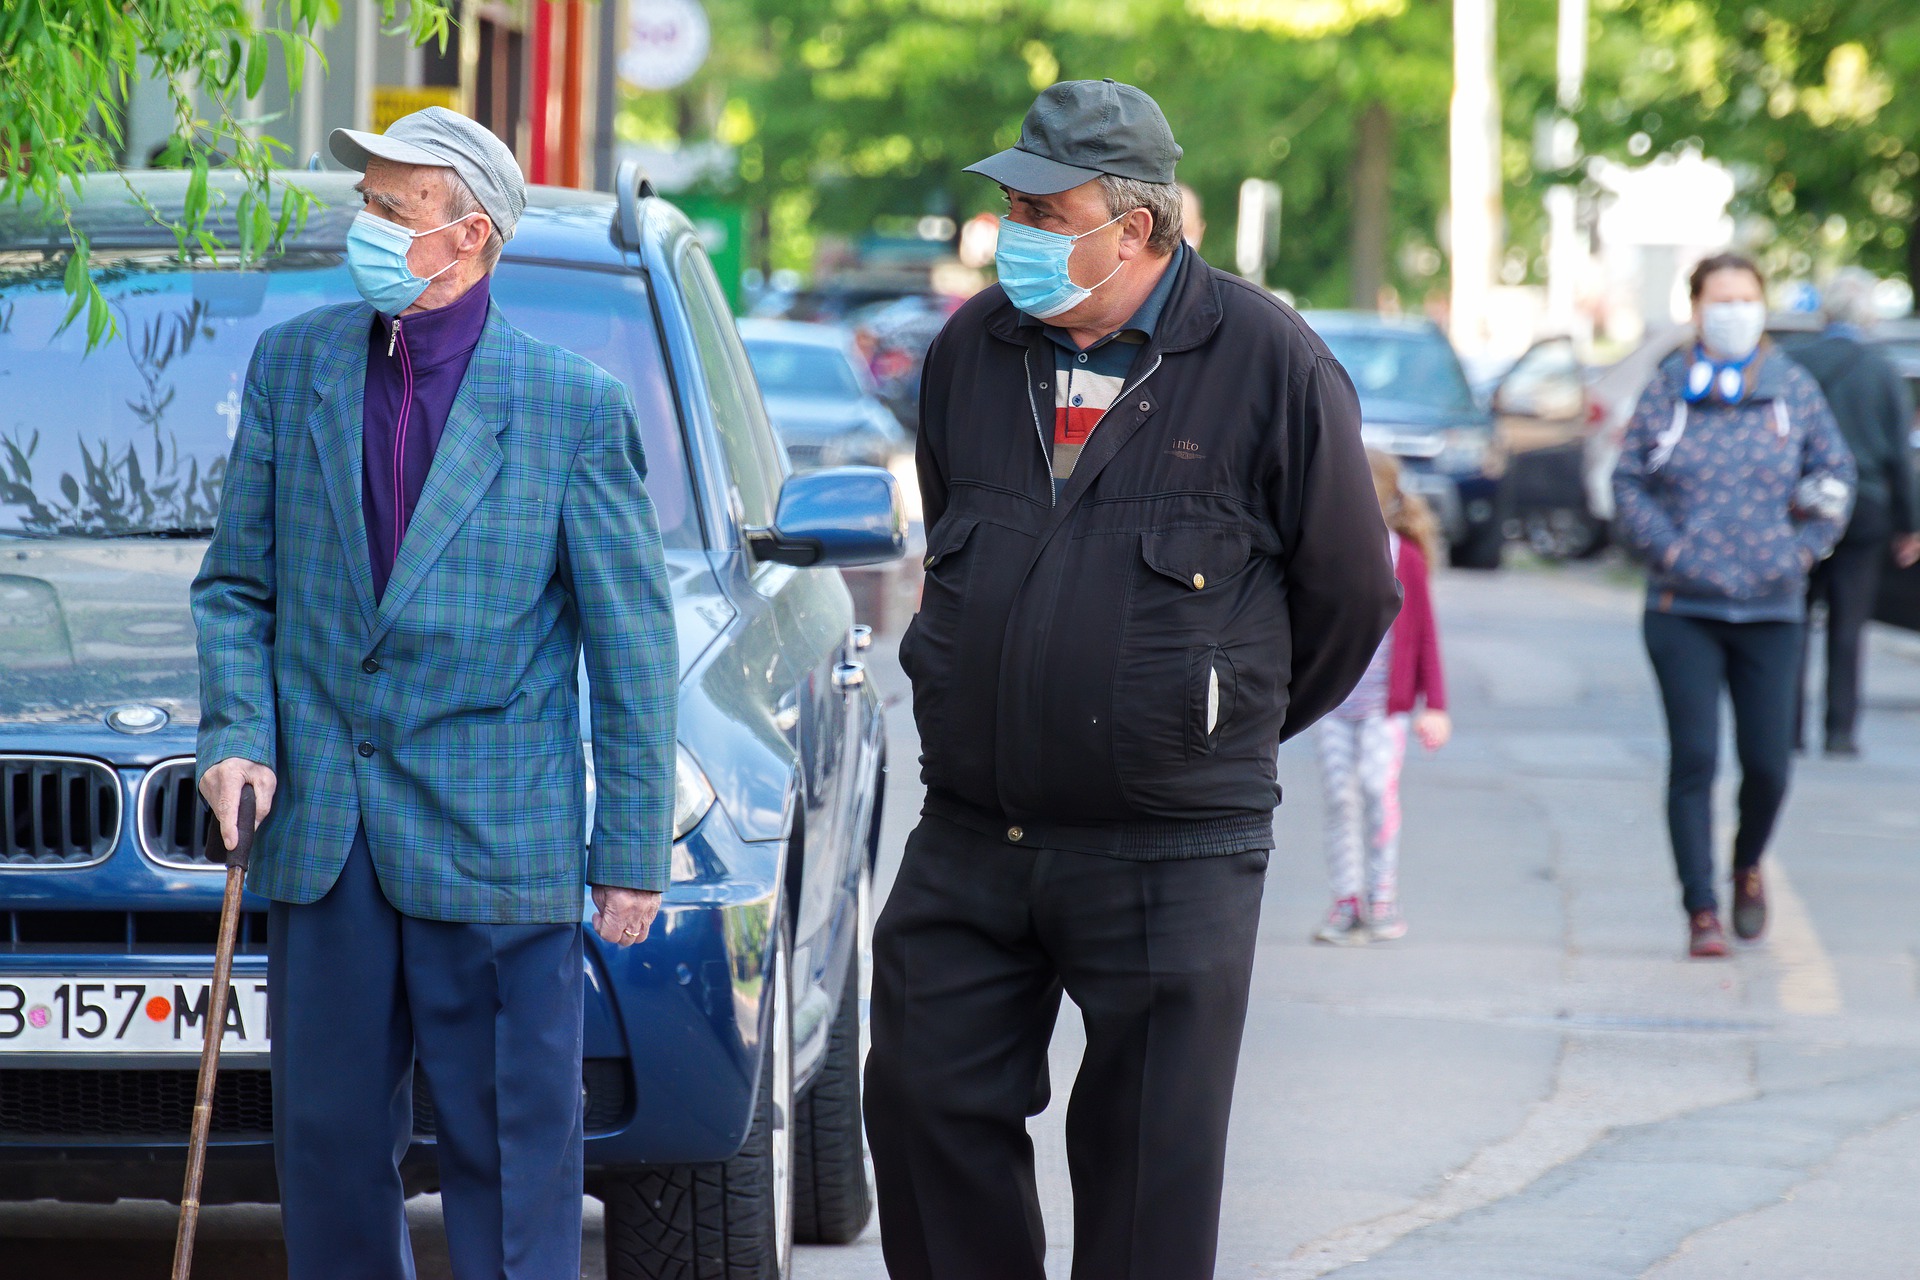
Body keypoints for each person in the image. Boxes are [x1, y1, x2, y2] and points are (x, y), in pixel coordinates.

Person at [864, 78, 1399, 1280]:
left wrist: (1213, 725)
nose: (1017, 233)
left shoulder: (1267, 360)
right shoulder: (971, 351)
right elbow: (964, 539)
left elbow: (1353, 594)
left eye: (1047, 212)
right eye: (1011, 204)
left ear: (1138, 229)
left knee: (1151, 1162)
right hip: (974, 831)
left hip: (1172, 845)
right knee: (918, 1102)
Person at [192, 107, 676, 1279]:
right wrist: (237, 731)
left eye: (390, 206)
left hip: (496, 839)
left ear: (467, 237)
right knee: (329, 1145)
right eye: (365, 197)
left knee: (511, 1156)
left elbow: (633, 645)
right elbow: (236, 584)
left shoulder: (572, 406)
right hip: (324, 839)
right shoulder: (295, 363)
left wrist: (631, 850)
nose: (362, 221)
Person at [1612, 252, 1854, 960]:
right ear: (1696, 309)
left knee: (1769, 764)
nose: (1735, 310)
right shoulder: (1668, 390)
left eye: (1747, 298)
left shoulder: (1794, 390)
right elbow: (1628, 482)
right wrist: (1672, 551)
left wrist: (1801, 551)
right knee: (1695, 757)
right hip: (1682, 607)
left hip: (1772, 608)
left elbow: (1836, 476)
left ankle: (1747, 863)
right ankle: (1701, 910)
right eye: (1721, 299)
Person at [1314, 450, 1451, 945]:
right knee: (1339, 799)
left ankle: (1382, 896)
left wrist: (1434, 704)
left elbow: (1427, 635)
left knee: (1376, 790)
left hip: (1383, 711)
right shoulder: (1329, 552)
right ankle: (1346, 900)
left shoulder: (1405, 558)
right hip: (1333, 707)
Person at [1785, 267, 1920, 757]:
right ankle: (1840, 731)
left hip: (1802, 505)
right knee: (1849, 623)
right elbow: (1899, 457)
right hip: (1866, 510)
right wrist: (1910, 524)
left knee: (1794, 619)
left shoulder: (1795, 361)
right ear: (1867, 315)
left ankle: (1789, 727)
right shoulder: (1881, 368)